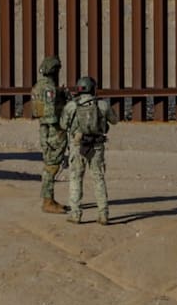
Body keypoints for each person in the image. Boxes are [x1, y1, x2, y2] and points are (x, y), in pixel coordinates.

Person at [58, 75, 118, 225]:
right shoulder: (102, 105)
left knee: (75, 178)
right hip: (97, 146)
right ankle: (103, 214)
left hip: (78, 146)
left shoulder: (72, 105)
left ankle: (76, 214)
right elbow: (115, 120)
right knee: (98, 178)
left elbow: (63, 125)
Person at [30, 55, 68, 214]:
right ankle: (48, 200)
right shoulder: (50, 89)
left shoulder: (37, 86)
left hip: (43, 129)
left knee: (49, 164)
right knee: (52, 165)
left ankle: (49, 198)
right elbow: (51, 114)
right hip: (53, 129)